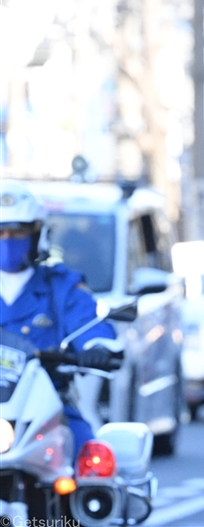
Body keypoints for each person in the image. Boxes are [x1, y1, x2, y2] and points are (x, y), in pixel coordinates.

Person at [0, 180, 117, 455]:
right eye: (0, 232)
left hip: (46, 405)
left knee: (91, 462)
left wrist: (96, 347)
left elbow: (88, 323)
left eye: (17, 232)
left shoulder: (61, 286)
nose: (7, 240)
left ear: (37, 234)